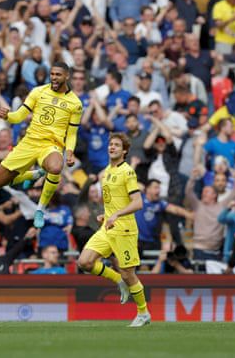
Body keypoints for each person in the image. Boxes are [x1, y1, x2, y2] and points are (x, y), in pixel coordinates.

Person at [0, 62, 83, 229]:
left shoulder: (75, 103)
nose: (54, 77)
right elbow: (19, 116)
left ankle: (40, 208)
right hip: (28, 142)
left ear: (67, 76)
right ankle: (33, 175)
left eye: (58, 75)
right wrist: (8, 117)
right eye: (52, 74)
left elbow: (71, 133)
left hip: (51, 145)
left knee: (56, 168)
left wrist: (69, 152)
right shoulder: (38, 92)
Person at [76, 133, 150, 328]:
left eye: (117, 145)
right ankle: (118, 280)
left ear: (124, 150)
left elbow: (138, 202)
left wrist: (117, 214)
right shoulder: (107, 171)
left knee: (129, 274)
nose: (112, 147)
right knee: (84, 262)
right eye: (110, 145)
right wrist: (106, 215)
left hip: (124, 229)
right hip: (107, 227)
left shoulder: (128, 172)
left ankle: (143, 313)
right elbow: (114, 201)